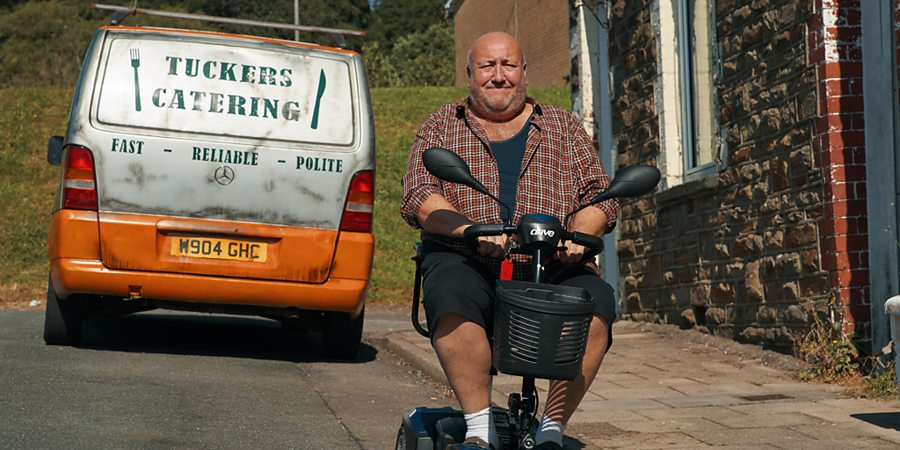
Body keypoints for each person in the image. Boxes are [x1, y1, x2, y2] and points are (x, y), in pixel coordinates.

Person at [400, 31, 619, 450]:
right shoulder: (442, 125)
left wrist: (580, 236)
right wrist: (469, 230)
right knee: (450, 291)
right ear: (469, 73)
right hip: (469, 260)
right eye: (487, 66)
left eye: (508, 66)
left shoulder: (563, 127)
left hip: (554, 264)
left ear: (523, 72)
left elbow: (600, 197)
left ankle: (551, 428)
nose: (498, 76)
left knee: (596, 305)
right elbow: (419, 195)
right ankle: (480, 430)